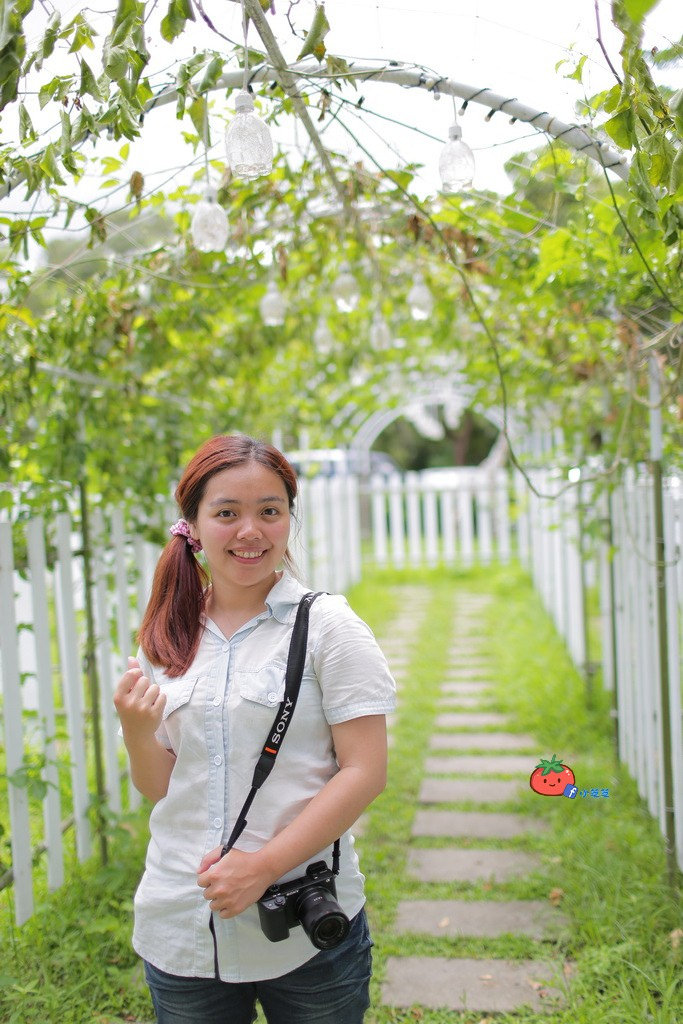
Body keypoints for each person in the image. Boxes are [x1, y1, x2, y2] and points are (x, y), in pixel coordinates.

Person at [113, 434, 396, 1024]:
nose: (251, 531)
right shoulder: (167, 637)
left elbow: (365, 771)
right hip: (182, 921)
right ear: (191, 523)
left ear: (289, 518)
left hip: (303, 920)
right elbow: (163, 788)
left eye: (270, 510)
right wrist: (139, 731)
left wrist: (262, 867)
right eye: (226, 513)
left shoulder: (328, 627)